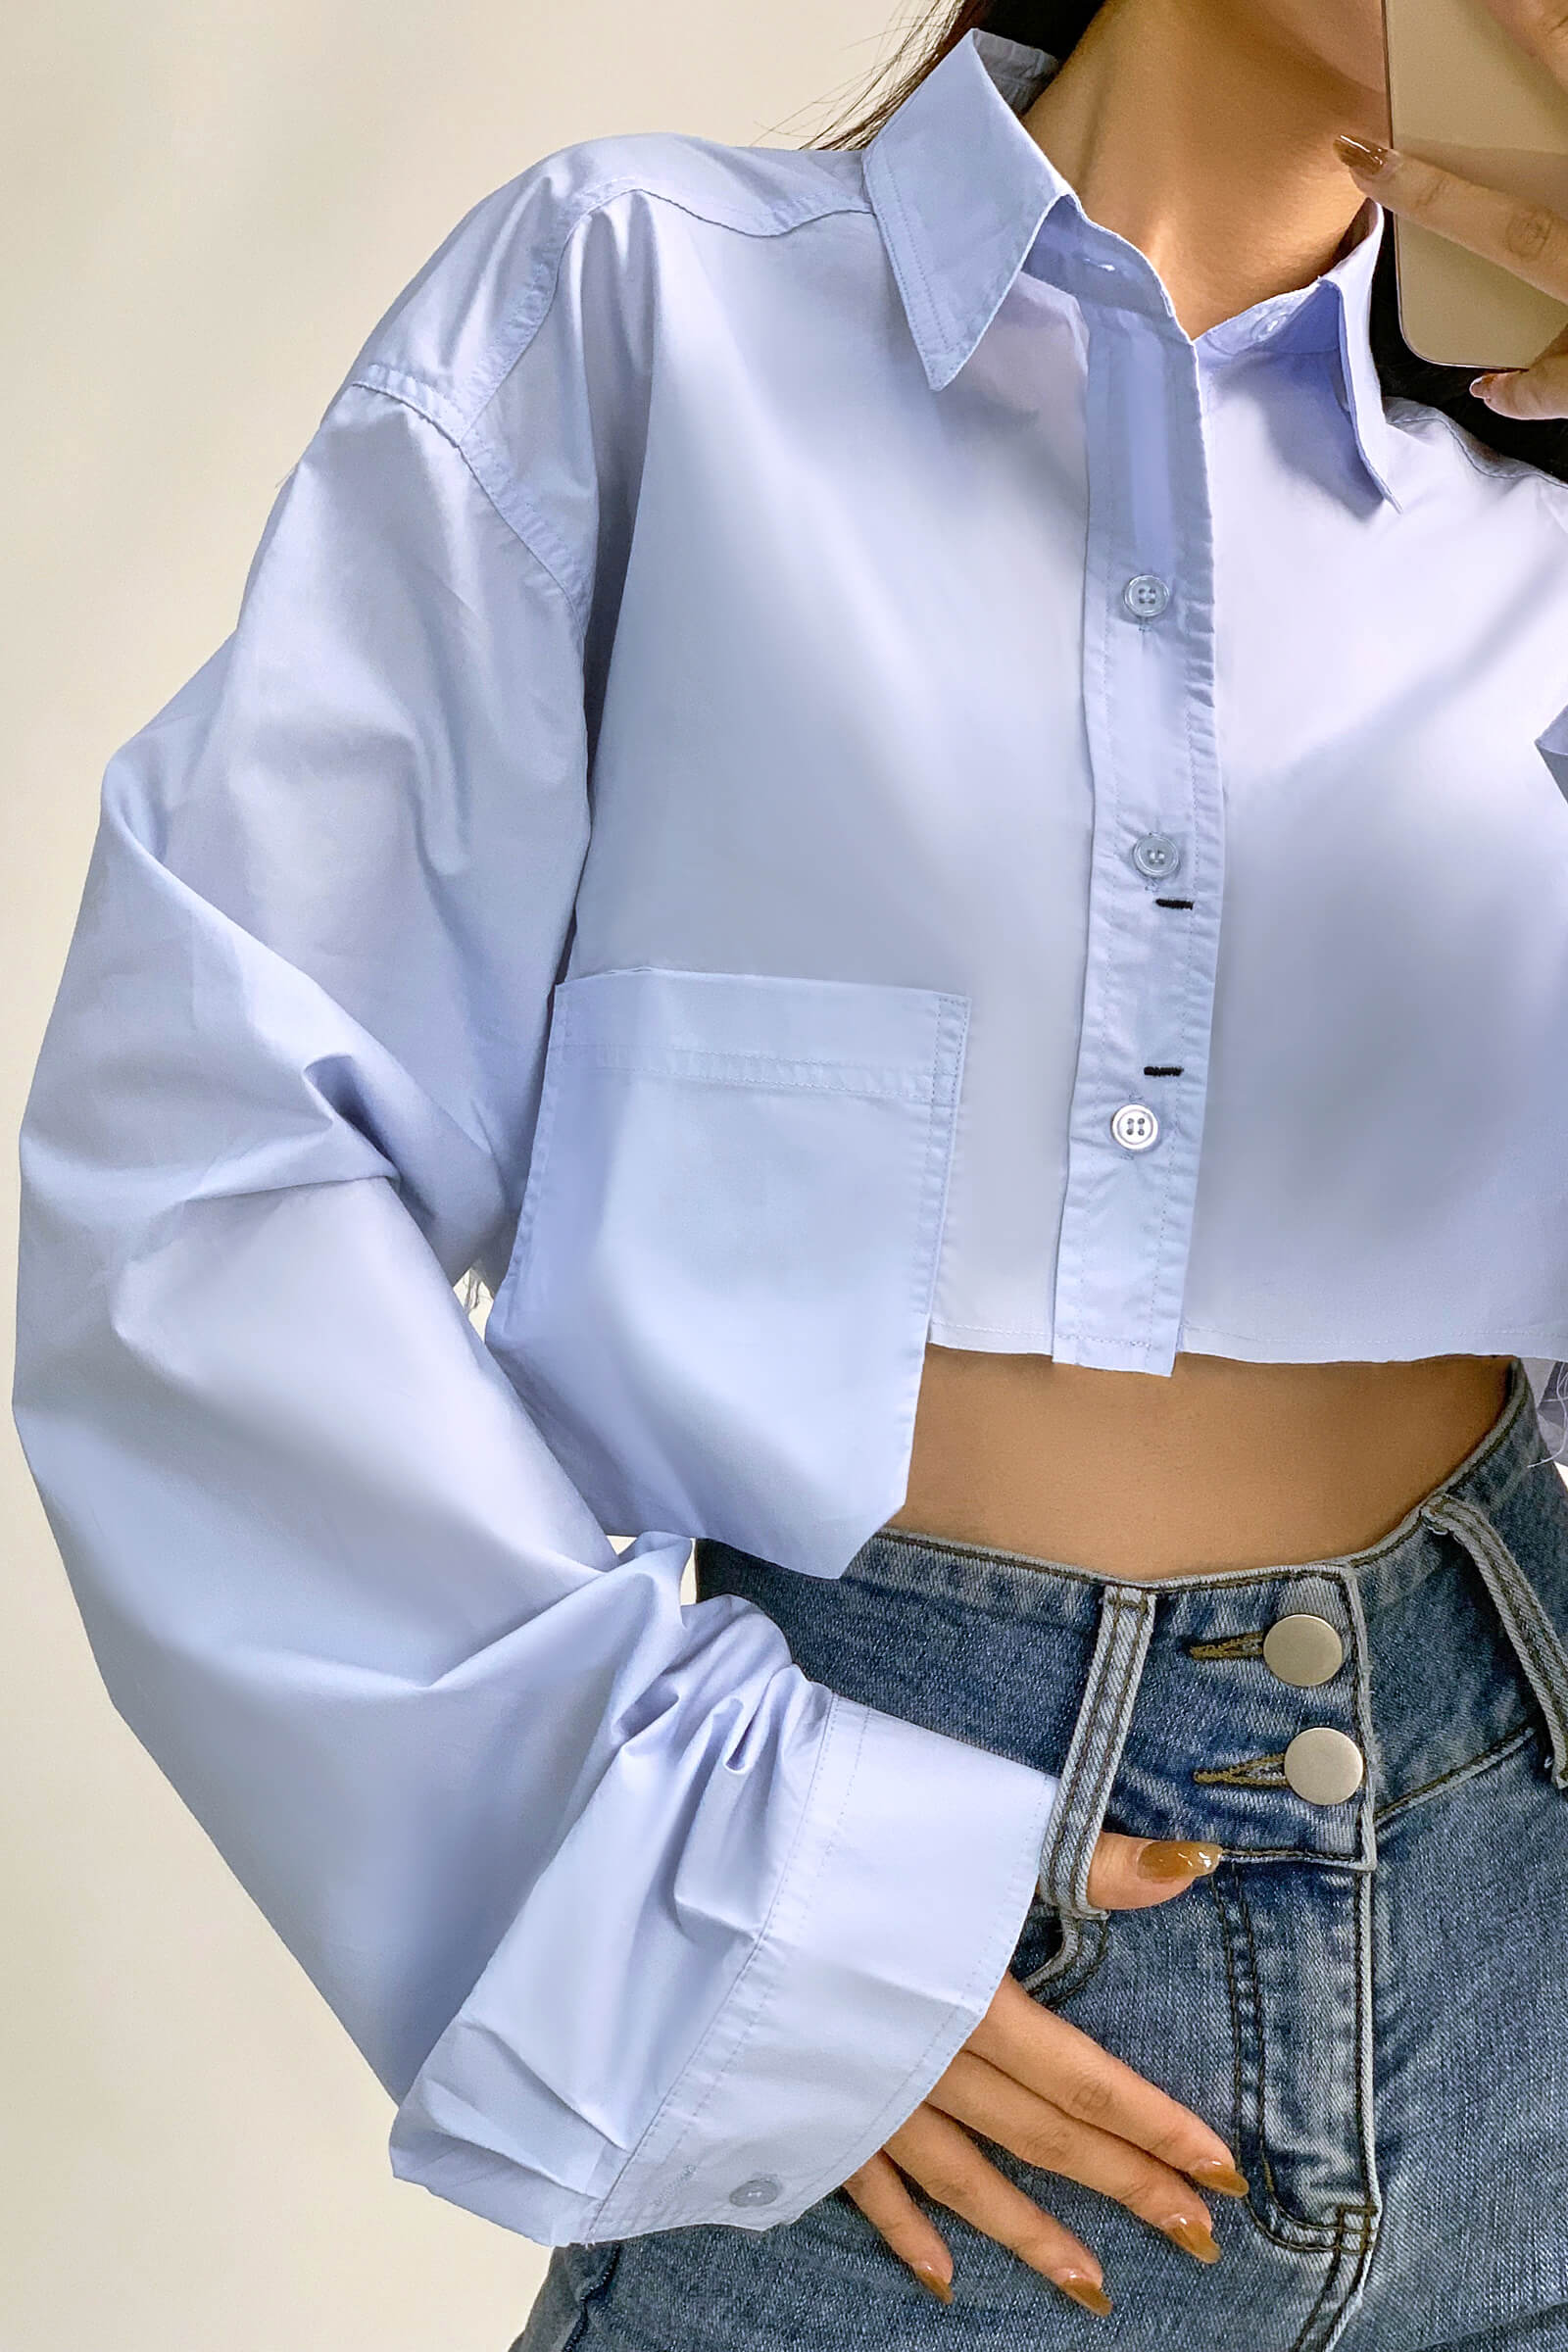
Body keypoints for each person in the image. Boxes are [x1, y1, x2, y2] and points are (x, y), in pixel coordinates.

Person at [14, 0, 1568, 2344]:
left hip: (1514, 1900)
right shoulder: (646, 303)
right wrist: (719, 1891)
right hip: (929, 1932)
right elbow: (213, 1160)